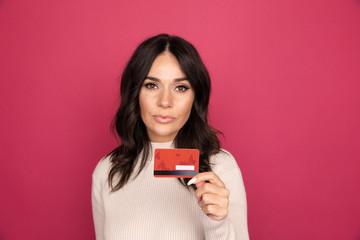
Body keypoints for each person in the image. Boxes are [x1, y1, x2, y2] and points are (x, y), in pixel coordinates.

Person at [91, 34, 249, 240]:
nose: (165, 101)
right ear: (135, 93)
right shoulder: (107, 171)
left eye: (180, 87)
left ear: (195, 97)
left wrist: (216, 223)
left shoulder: (221, 167)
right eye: (152, 85)